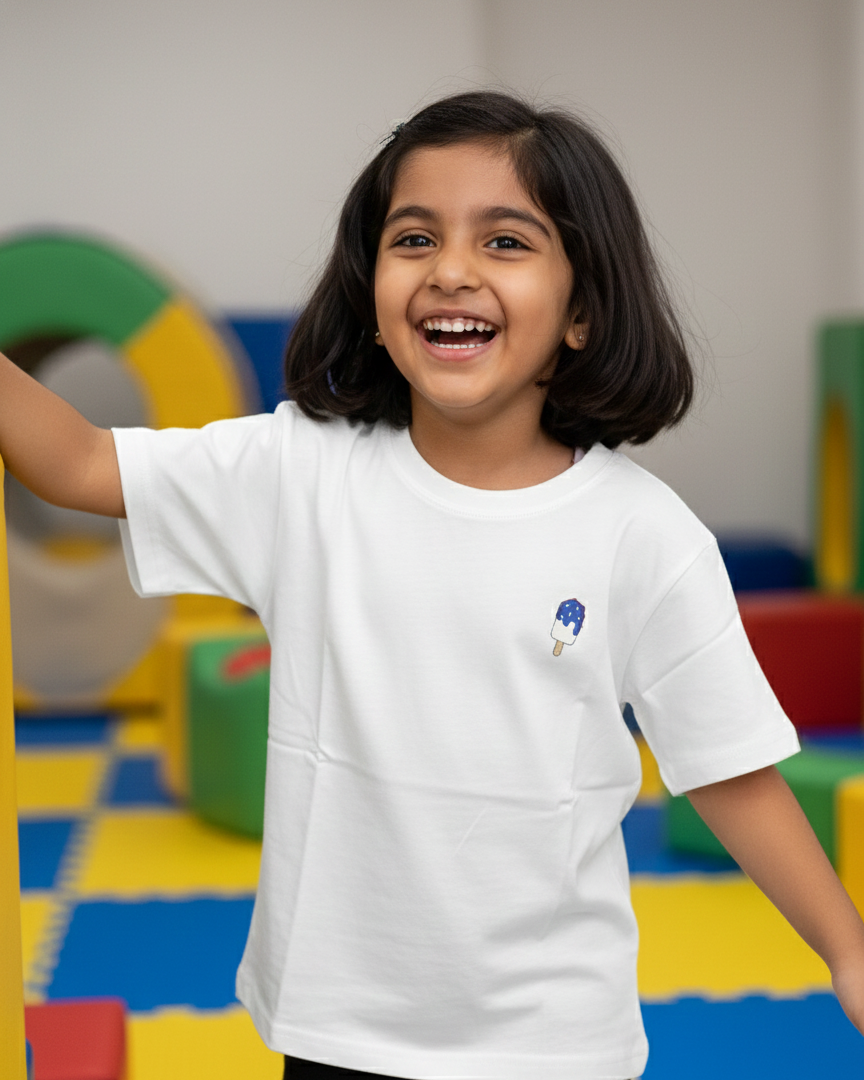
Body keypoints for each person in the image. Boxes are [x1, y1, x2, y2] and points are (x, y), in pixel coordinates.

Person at [2, 90, 863, 1080]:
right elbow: (73, 463)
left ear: (582, 311)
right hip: (339, 1029)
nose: (449, 270)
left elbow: (730, 768)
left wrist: (846, 951)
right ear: (371, 287)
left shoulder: (643, 536)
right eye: (413, 238)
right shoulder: (301, 475)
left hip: (551, 1041)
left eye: (505, 242)